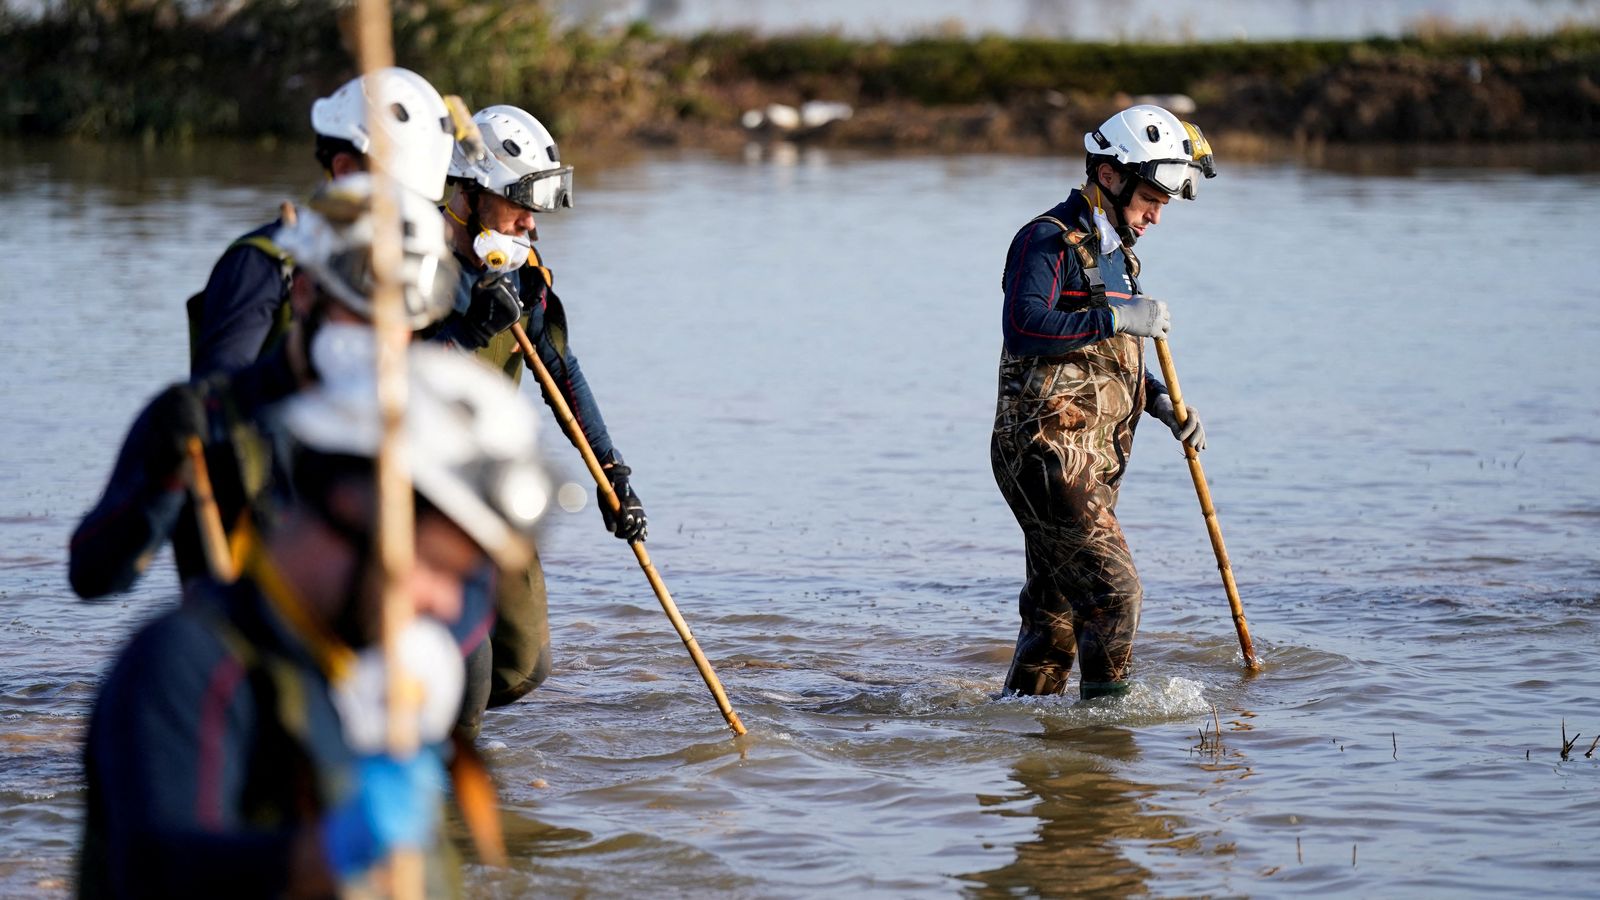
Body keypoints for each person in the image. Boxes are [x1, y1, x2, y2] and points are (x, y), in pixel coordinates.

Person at [77, 342, 551, 899]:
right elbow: (158, 870)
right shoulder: (189, 661)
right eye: (439, 566)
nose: (449, 605)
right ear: (351, 509)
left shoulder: (372, 678)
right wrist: (324, 856)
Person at [70, 174, 459, 600]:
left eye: (401, 321)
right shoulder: (204, 417)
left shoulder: (429, 426)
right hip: (233, 658)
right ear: (306, 295)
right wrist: (160, 478)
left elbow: (468, 605)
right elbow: (93, 579)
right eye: (361, 314)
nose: (384, 338)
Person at [425, 104, 648, 710]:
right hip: (416, 489)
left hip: (494, 486)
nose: (529, 221)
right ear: (470, 193)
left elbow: (561, 373)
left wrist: (613, 474)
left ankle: (434, 728)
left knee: (523, 667)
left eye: (535, 206)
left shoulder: (522, 276)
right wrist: (466, 333)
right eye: (518, 202)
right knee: (464, 679)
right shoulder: (411, 261)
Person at [990, 105, 1216, 699]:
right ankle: (1104, 753)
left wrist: (1161, 403)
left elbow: (1101, 361)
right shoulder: (1046, 239)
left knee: (1055, 615)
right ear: (1110, 176)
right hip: (1045, 456)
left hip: (1093, 459)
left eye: (1164, 204)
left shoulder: (1118, 254)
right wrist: (1116, 314)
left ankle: (1032, 747)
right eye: (1151, 197)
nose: (1156, 216)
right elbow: (1025, 325)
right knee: (1114, 595)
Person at [186, 67, 457, 378]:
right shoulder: (266, 265)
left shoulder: (408, 266)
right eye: (400, 197)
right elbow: (216, 400)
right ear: (344, 170)